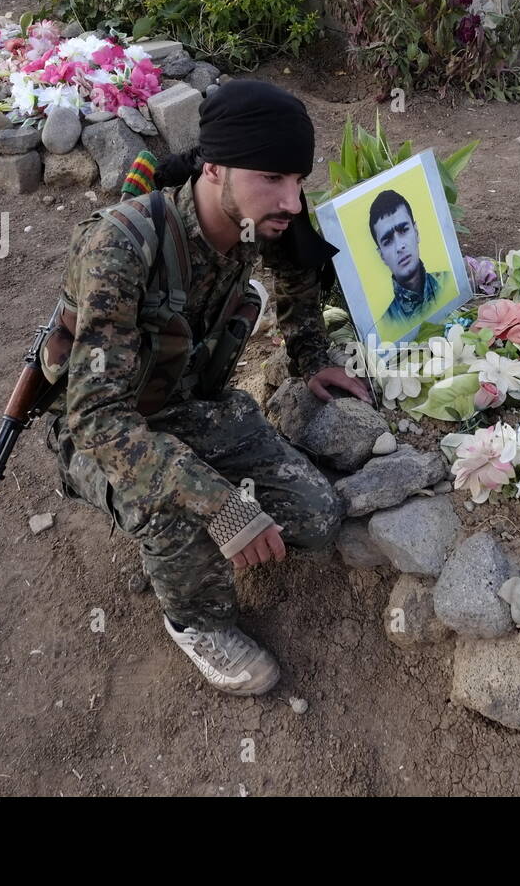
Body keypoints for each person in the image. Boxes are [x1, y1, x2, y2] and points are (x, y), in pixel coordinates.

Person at [41, 80, 371, 696]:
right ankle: (195, 621)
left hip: (189, 409)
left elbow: (298, 270)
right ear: (213, 166)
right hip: (100, 433)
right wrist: (219, 503)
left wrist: (310, 358)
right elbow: (95, 418)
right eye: (273, 178)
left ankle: (192, 532)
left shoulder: (261, 219)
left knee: (317, 517)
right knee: (175, 512)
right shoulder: (121, 245)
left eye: (298, 180)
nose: (292, 201)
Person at [367, 189, 451, 336]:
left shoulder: (451, 283)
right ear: (381, 256)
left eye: (404, 230)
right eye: (387, 241)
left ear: (416, 232)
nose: (400, 247)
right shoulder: (386, 327)